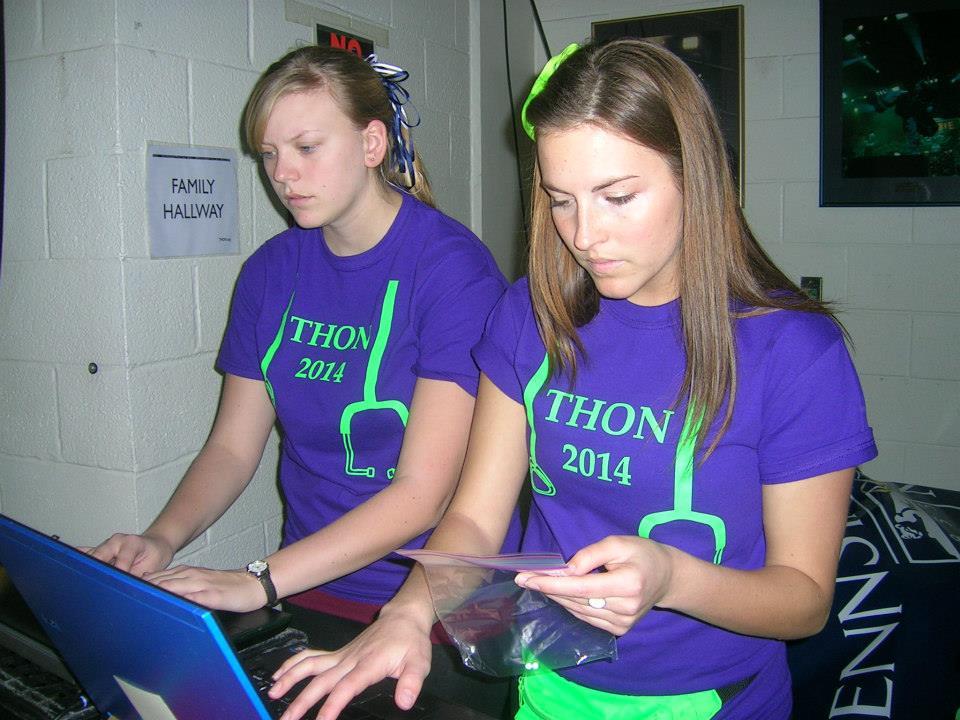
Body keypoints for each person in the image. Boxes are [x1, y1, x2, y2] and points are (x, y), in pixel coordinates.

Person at [262, 38, 879, 720]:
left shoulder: (793, 350)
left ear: (695, 176)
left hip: (712, 700)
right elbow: (474, 514)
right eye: (561, 201)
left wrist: (672, 578)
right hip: (548, 680)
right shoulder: (529, 315)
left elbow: (803, 600)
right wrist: (408, 614)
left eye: (618, 197)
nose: (585, 236)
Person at [90, 45, 515, 717]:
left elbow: (422, 497)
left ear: (373, 142)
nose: (283, 175)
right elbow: (232, 449)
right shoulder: (270, 271)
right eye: (268, 155)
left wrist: (257, 581)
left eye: (306, 147)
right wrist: (162, 538)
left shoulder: (451, 270)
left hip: (439, 598)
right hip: (314, 581)